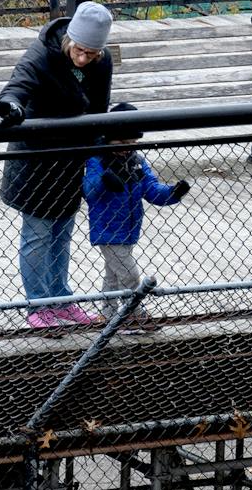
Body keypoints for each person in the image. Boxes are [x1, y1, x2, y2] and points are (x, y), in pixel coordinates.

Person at [0, 1, 114, 328]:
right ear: (69, 41)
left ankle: (60, 298)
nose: (84, 58)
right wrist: (11, 106)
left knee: (62, 232)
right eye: (80, 50)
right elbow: (18, 85)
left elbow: (99, 110)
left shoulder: (101, 62)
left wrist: (96, 154)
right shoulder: (42, 54)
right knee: (38, 234)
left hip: (71, 160)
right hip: (37, 161)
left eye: (92, 53)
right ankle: (38, 305)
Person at [80, 103, 190, 330]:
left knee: (113, 277)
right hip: (108, 231)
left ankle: (109, 317)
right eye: (121, 143)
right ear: (109, 138)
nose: (126, 148)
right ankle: (135, 313)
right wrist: (106, 180)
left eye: (131, 144)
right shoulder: (97, 160)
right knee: (130, 275)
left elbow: (151, 190)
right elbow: (89, 191)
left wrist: (173, 192)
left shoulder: (136, 162)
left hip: (129, 229)